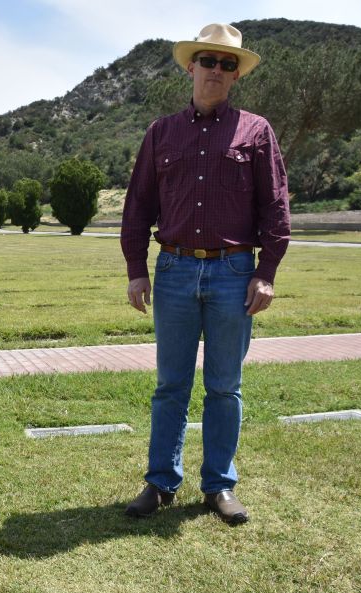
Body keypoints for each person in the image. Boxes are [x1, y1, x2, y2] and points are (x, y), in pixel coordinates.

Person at [120, 23, 290, 524]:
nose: (217, 70)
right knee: (170, 385)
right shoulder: (161, 132)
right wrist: (136, 269)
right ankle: (160, 482)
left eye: (228, 63)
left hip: (233, 273)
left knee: (224, 386)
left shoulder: (256, 132)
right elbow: (138, 207)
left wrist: (267, 271)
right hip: (171, 269)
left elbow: (275, 207)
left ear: (236, 74)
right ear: (190, 66)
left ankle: (219, 486)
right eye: (209, 61)